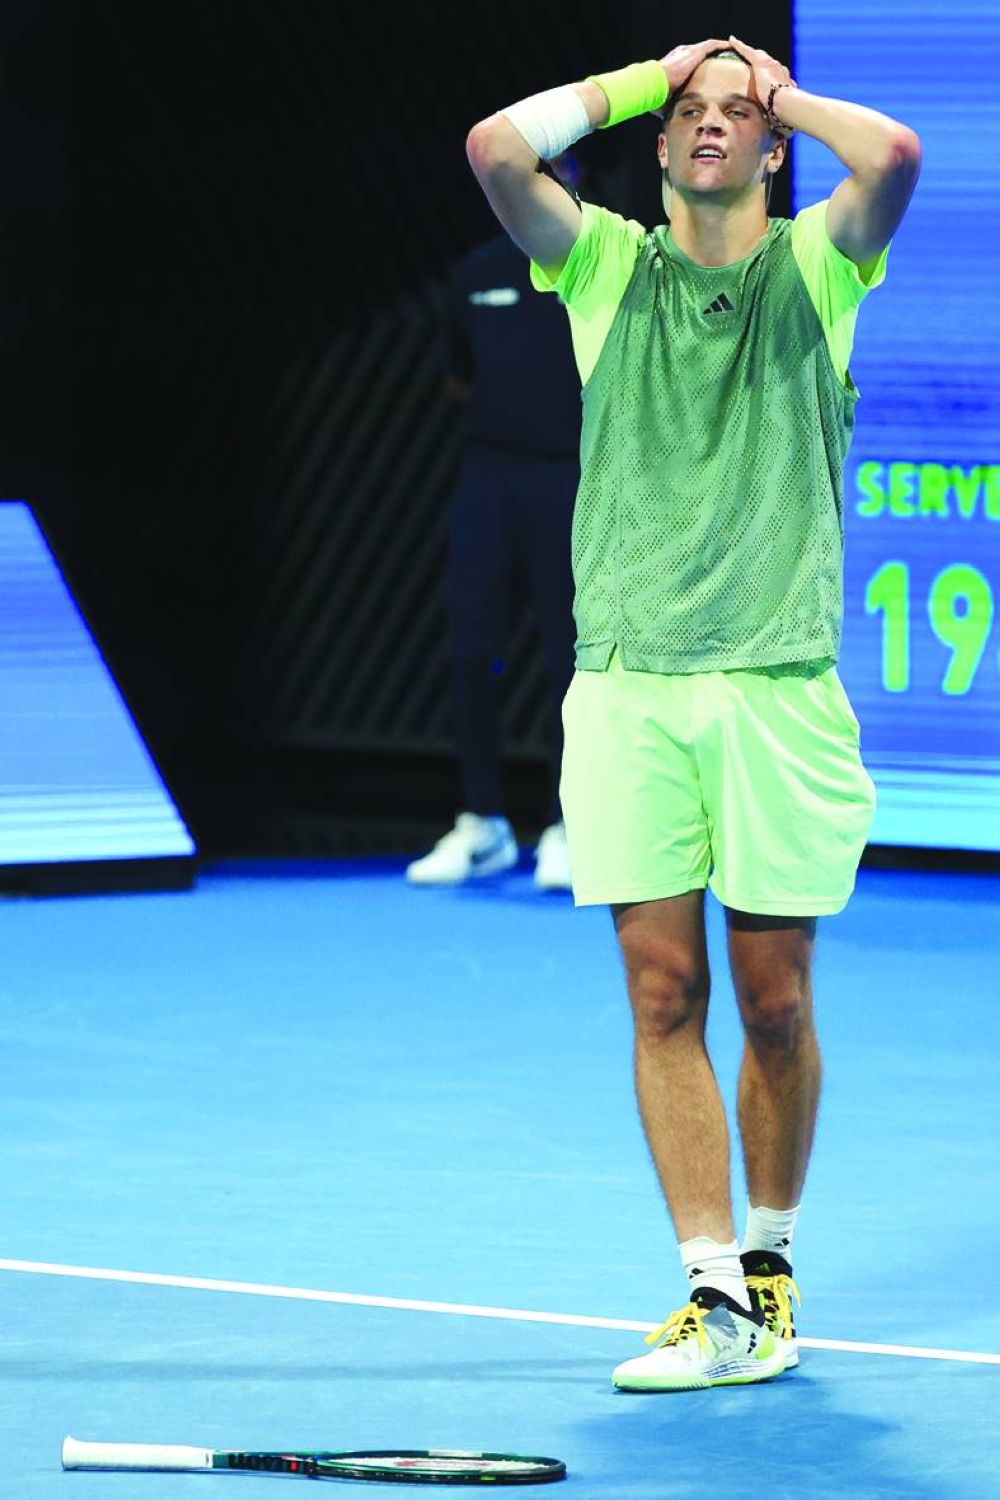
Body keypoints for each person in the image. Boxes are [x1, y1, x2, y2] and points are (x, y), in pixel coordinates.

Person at [465, 37, 920, 1390]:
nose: (713, 126)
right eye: (695, 115)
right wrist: (646, 78)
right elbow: (496, 148)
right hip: (627, 692)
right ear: (663, 145)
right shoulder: (601, 266)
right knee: (663, 992)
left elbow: (892, 155)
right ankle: (711, 1295)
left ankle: (771, 1274)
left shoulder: (822, 269)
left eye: (742, 117)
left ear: (774, 148)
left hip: (776, 693)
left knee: (774, 1003)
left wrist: (775, 90)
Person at [406, 152, 589, 893]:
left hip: (574, 478)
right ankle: (482, 822)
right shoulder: (473, 276)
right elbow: (460, 377)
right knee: (468, 648)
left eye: (559, 177)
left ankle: (568, 823)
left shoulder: (595, 272)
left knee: (570, 661)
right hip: (489, 479)